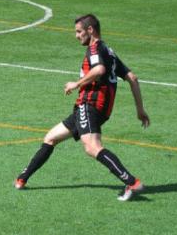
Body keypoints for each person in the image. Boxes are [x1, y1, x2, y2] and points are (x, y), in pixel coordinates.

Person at [14, 14, 150, 201]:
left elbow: (99, 70)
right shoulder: (109, 51)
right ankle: (22, 179)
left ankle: (131, 182)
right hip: (94, 110)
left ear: (90, 30)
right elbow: (132, 78)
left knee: (92, 147)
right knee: (51, 138)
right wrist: (140, 110)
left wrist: (76, 84)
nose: (76, 36)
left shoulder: (95, 48)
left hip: (90, 105)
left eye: (79, 31)